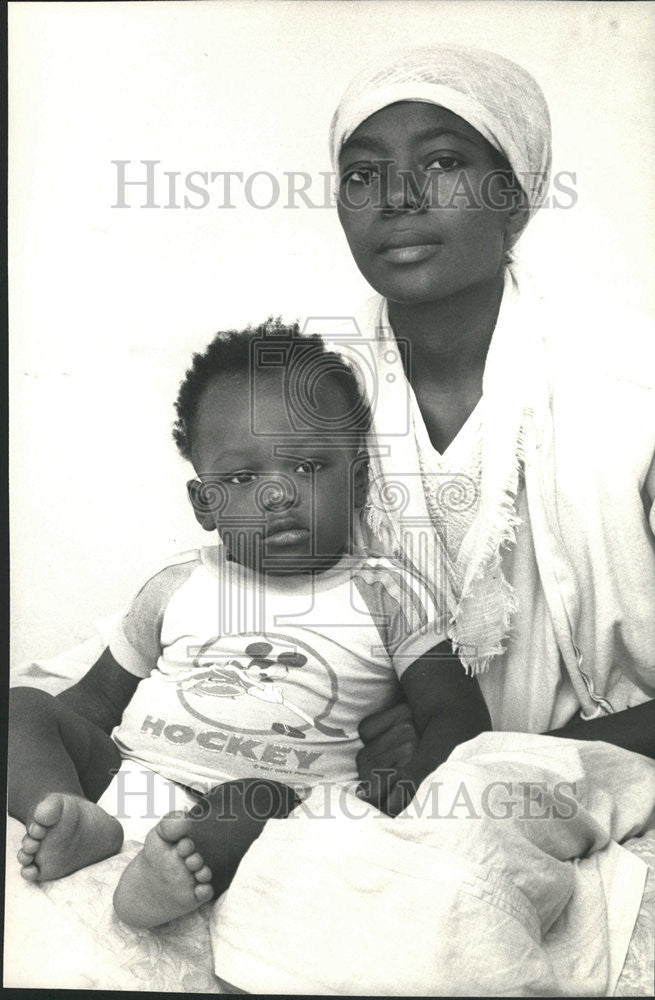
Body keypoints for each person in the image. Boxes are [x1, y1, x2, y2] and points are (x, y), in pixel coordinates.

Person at [8, 323, 491, 929]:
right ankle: (72, 818)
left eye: (311, 466)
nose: (278, 494)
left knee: (251, 799)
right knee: (21, 708)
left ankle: (178, 869)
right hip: (131, 779)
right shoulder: (177, 584)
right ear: (203, 504)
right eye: (240, 479)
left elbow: (457, 713)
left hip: (276, 803)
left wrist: (410, 793)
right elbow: (94, 702)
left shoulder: (386, 592)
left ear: (359, 482)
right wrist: (52, 749)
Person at [324, 44, 655, 805]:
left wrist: (495, 759)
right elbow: (290, 623)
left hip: (619, 773)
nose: (397, 196)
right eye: (362, 174)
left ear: (514, 197)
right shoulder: (318, 397)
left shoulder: (634, 381)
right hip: (408, 787)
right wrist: (386, 721)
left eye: (441, 162)